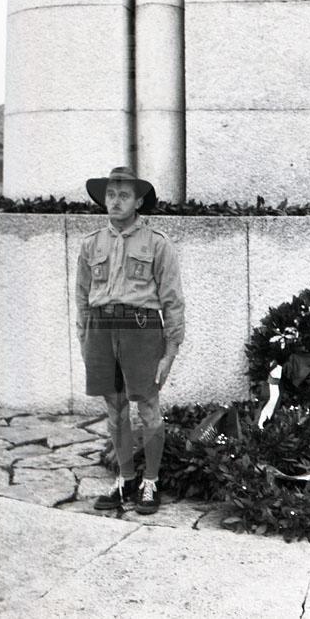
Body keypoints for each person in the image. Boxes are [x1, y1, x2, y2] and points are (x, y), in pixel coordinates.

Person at [75, 166, 185, 514]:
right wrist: (84, 338)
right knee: (115, 407)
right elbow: (82, 296)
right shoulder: (91, 243)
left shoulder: (157, 243)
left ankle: (150, 482)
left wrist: (170, 350)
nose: (115, 201)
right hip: (101, 330)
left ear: (138, 201)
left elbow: (172, 300)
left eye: (124, 195)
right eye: (110, 194)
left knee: (148, 406)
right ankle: (125, 479)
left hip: (141, 329)